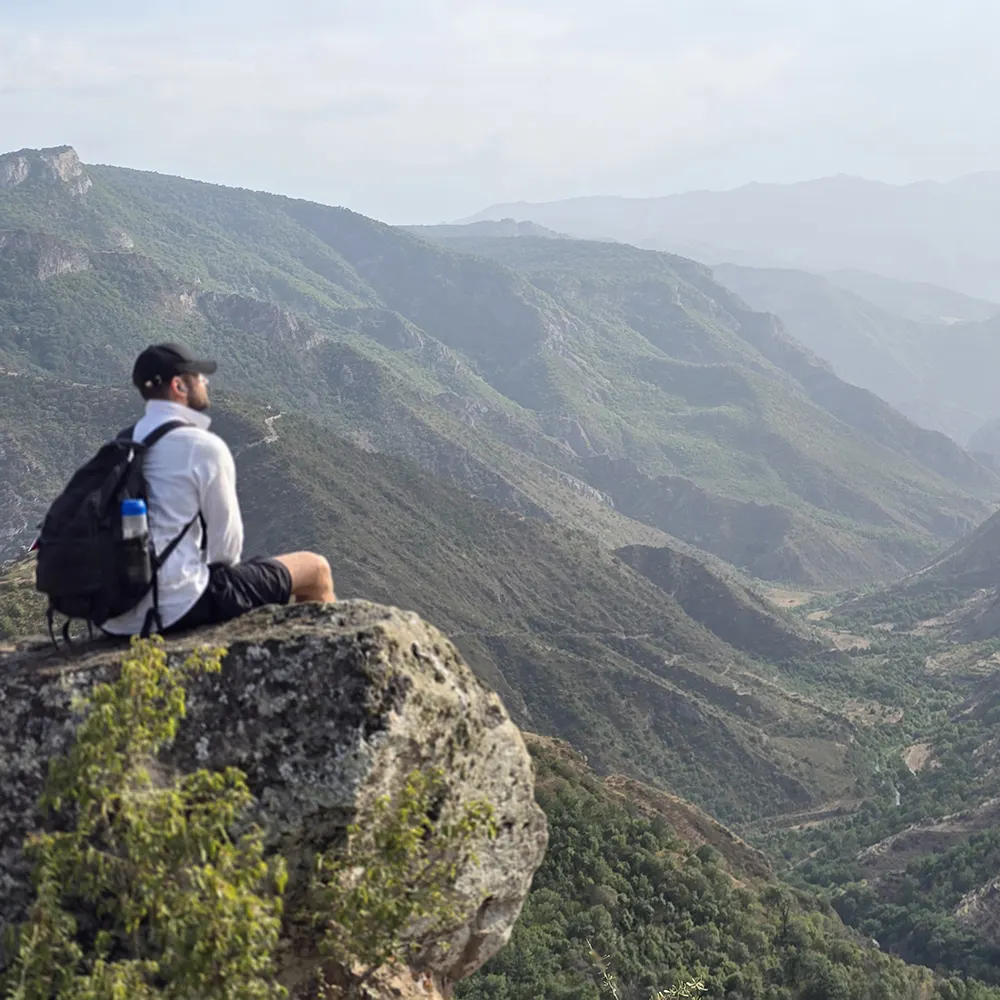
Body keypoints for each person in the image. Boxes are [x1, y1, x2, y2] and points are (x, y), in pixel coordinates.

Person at [102, 342, 335, 636]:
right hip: (174, 607)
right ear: (179, 386)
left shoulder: (122, 444)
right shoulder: (203, 447)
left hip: (115, 614)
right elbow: (226, 550)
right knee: (316, 569)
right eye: (198, 377)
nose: (205, 382)